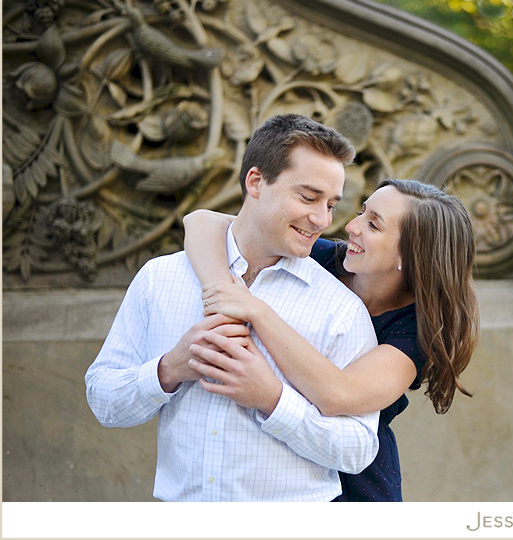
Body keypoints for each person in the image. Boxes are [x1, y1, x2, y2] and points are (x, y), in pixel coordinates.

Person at [85, 114, 380, 502]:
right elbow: (104, 402)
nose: (322, 219)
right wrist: (168, 370)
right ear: (255, 181)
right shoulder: (161, 278)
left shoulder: (340, 308)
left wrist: (272, 400)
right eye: (308, 198)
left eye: (330, 204)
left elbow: (357, 450)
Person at [183, 178, 480, 501]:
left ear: (410, 255)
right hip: (274, 473)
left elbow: (338, 393)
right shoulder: (325, 259)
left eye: (373, 225)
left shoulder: (416, 329)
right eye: (361, 212)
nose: (351, 226)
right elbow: (201, 221)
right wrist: (222, 298)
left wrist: (257, 311)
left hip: (352, 485)